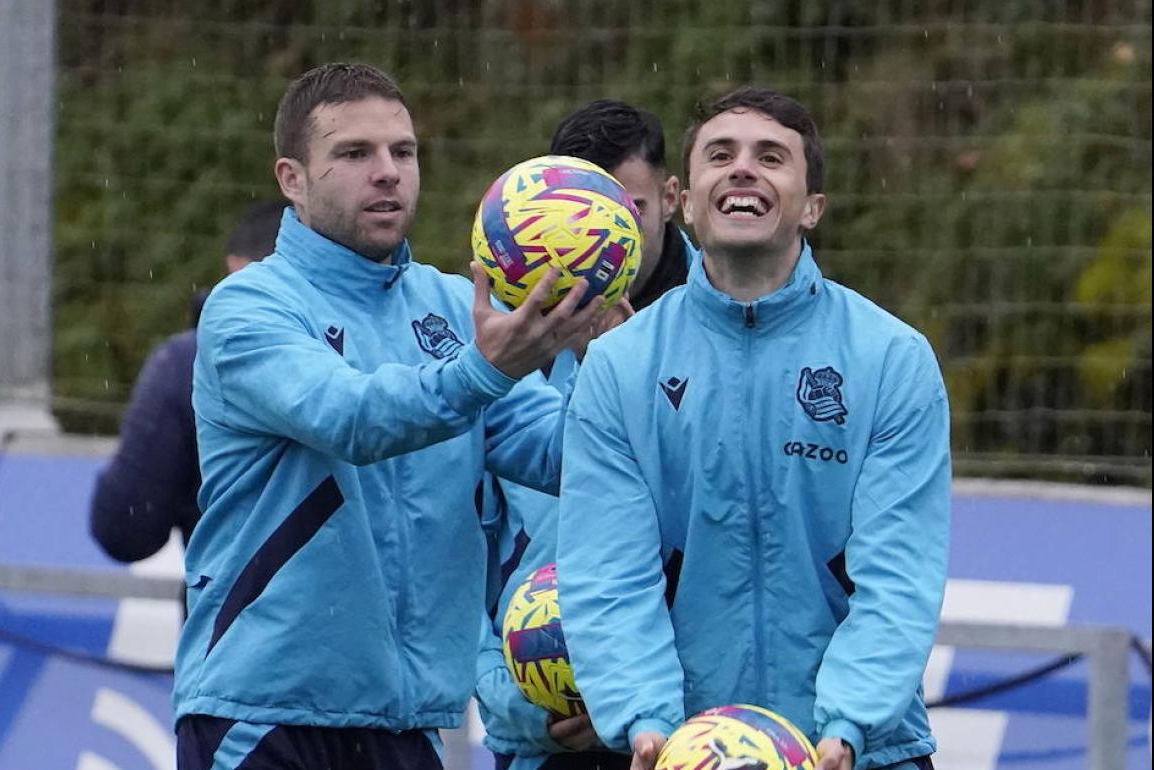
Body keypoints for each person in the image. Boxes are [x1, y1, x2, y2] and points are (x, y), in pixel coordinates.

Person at [172, 63, 608, 770]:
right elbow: (348, 417)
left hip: (407, 724)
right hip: (264, 716)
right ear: (292, 179)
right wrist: (486, 369)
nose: (387, 173)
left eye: (402, 152)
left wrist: (615, 370)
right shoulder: (249, 306)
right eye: (354, 154)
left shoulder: (447, 304)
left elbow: (560, 453)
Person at [555, 87, 951, 770]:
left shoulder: (892, 358)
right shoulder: (620, 366)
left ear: (811, 207)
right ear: (683, 199)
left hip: (859, 752)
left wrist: (848, 724)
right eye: (720, 155)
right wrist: (644, 719)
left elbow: (899, 574)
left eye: (771, 157)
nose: (743, 169)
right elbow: (608, 572)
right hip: (687, 750)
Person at [476, 99, 696, 770]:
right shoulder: (490, 351)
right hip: (548, 734)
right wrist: (524, 708)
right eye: (570, 222)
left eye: (623, 212)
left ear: (671, 199)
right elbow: (458, 565)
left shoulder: (738, 325)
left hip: (696, 730)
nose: (592, 243)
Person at [89, 199, 283, 562]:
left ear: (235, 267)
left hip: (236, 610)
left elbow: (125, 529)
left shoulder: (189, 363)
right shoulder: (402, 352)